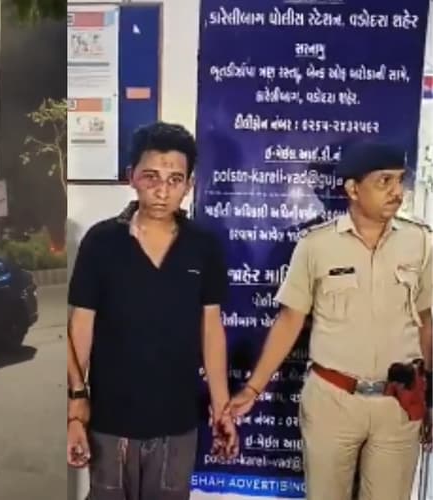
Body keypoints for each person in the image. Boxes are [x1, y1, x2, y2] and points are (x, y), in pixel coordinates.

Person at [226, 142, 433, 500]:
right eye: (384, 181)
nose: (396, 192)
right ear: (353, 189)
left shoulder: (421, 242)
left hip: (398, 404)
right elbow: (290, 320)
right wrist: (253, 388)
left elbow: (427, 321)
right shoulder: (316, 246)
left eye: (400, 180)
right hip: (332, 401)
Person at [66, 121, 238, 499]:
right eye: (151, 177)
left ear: (189, 185)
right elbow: (80, 327)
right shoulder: (102, 242)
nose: (162, 191)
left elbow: (211, 329)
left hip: (176, 423)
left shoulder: (203, 246)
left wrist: (221, 406)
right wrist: (76, 404)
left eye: (175, 180)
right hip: (110, 422)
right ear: (132, 177)